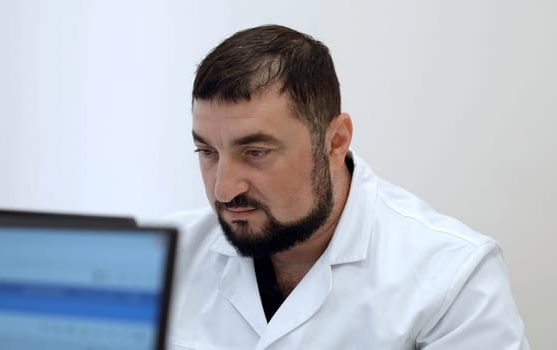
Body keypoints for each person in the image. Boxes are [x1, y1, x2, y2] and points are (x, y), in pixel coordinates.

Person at [165, 24, 530, 349]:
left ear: (336, 141)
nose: (224, 190)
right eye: (207, 151)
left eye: (256, 152)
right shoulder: (165, 256)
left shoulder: (452, 277)